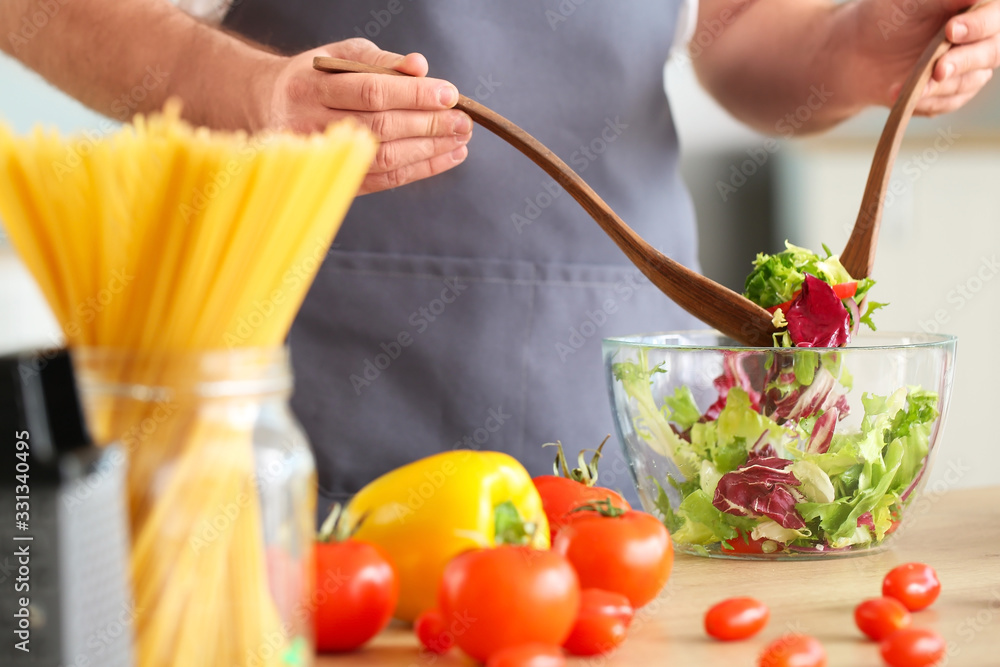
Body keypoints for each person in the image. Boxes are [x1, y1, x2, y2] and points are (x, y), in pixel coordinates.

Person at [3, 0, 998, 507]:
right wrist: (229, 89)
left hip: (616, 384)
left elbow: (733, 33)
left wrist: (849, 48)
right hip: (294, 361)